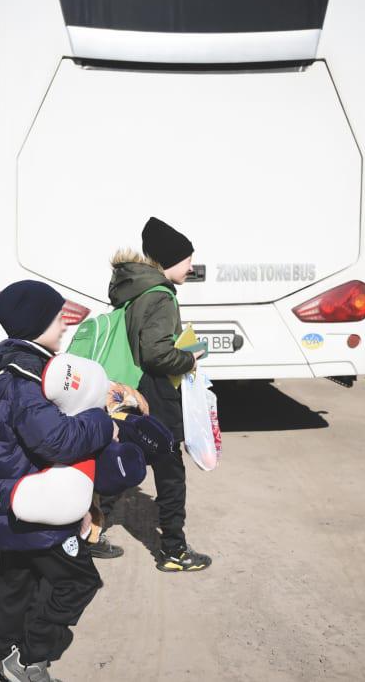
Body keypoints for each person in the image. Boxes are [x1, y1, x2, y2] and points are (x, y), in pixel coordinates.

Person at [0, 280, 116, 682]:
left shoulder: (2, 367)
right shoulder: (29, 379)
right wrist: (101, 422)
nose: (64, 325)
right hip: (37, 498)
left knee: (17, 584)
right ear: (36, 324)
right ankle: (29, 659)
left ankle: (6, 658)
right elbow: (57, 441)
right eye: (57, 318)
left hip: (6, 500)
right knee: (79, 581)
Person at [95, 217, 211, 572]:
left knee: (122, 460)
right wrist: (190, 357)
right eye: (187, 259)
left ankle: (87, 533)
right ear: (169, 260)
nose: (192, 267)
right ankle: (174, 550)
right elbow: (156, 353)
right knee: (170, 472)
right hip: (156, 395)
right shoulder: (160, 296)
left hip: (132, 392)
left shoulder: (134, 290)